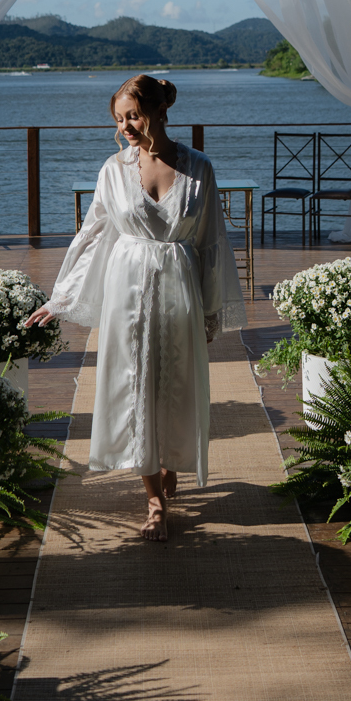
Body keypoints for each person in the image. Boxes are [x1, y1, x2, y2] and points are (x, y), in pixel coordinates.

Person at [25, 74, 245, 541]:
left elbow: (210, 244)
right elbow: (93, 235)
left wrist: (210, 310)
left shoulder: (198, 168)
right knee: (136, 384)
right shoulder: (113, 170)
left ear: (160, 111)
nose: (125, 126)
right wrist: (60, 299)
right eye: (119, 119)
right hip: (127, 293)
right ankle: (153, 501)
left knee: (177, 384)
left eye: (133, 116)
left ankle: (169, 467)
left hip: (180, 287)